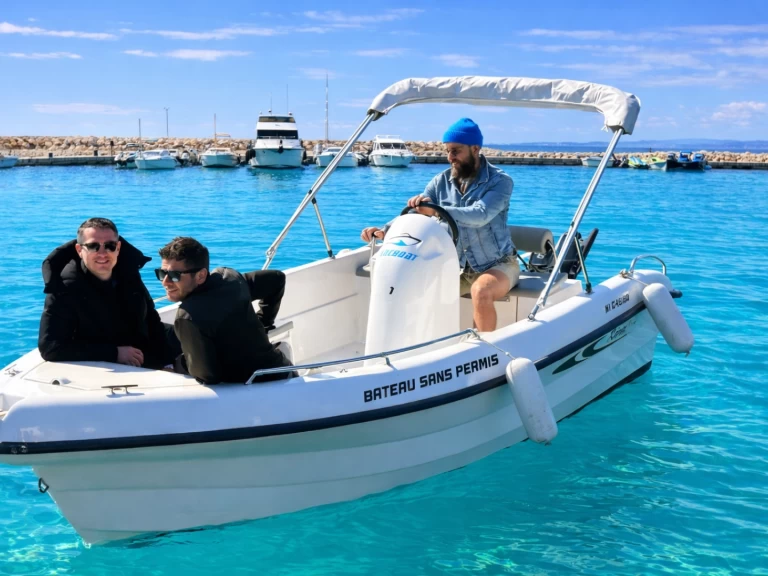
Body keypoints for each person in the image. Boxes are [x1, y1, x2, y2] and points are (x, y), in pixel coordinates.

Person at [361, 118, 519, 332]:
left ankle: (483, 350)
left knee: (481, 291)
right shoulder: (439, 182)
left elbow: (480, 214)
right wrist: (385, 230)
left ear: (475, 148)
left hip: (499, 264)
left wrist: (436, 210)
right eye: (448, 151)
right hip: (456, 267)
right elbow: (418, 212)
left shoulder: (500, 181)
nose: (450, 157)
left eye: (456, 151)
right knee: (411, 287)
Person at [39, 218, 177, 368]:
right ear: (79, 250)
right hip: (109, 364)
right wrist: (114, 353)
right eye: (93, 246)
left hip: (142, 352)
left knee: (192, 333)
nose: (103, 253)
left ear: (118, 248)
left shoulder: (127, 272)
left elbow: (151, 318)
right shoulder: (64, 288)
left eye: (110, 246)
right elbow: (51, 347)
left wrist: (168, 363)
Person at [157, 237, 293, 384]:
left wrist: (178, 365)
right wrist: (264, 323)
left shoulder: (187, 317)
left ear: (200, 275)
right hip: (283, 371)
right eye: (161, 273)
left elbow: (206, 375)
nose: (165, 282)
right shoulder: (230, 278)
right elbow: (276, 279)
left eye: (174, 276)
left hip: (256, 390)